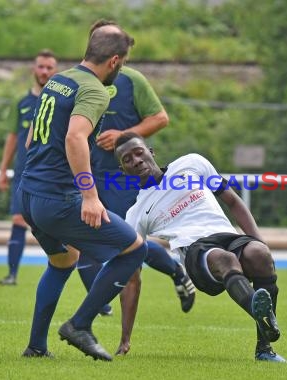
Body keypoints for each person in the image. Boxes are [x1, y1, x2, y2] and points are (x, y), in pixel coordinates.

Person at [18, 24, 146, 361]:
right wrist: (89, 197)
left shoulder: (60, 79)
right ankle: (80, 324)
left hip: (29, 193)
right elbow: (75, 137)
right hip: (56, 199)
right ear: (115, 61)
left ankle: (36, 347)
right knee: (133, 248)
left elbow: (32, 138)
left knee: (64, 261)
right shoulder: (95, 90)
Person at [77, 19, 195, 355]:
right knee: (82, 245)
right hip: (88, 177)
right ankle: (98, 307)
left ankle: (123, 338)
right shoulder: (77, 81)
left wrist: (122, 135)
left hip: (122, 181)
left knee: (130, 251)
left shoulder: (132, 80)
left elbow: (160, 118)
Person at [115, 132, 287, 363]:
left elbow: (234, 202)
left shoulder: (192, 163)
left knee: (259, 254)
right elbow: (132, 279)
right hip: (196, 253)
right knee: (225, 259)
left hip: (226, 236)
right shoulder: (136, 214)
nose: (135, 160)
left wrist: (259, 243)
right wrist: (125, 337)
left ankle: (264, 349)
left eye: (139, 152)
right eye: (127, 159)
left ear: (151, 152)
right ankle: (261, 315)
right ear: (123, 170)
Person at [0, 49, 58, 286]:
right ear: (34, 69)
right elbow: (13, 137)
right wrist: (3, 169)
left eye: (49, 67)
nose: (44, 71)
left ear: (55, 71)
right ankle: (12, 274)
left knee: (54, 225)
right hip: (23, 174)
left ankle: (61, 271)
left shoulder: (60, 101)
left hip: (51, 174)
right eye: (41, 66)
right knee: (18, 220)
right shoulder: (22, 102)